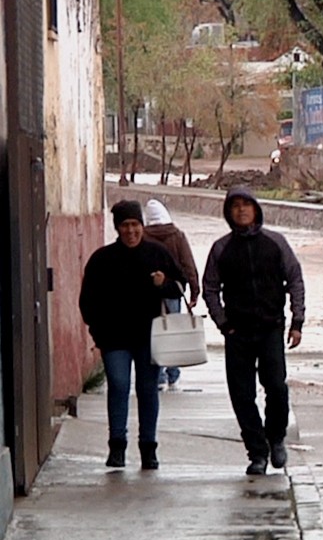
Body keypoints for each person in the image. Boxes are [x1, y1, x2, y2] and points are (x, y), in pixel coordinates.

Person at [202, 187, 305, 475]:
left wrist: (297, 322)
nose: (241, 210)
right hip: (237, 332)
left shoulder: (276, 243)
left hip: (271, 328)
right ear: (228, 212)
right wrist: (223, 323)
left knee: (276, 387)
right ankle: (256, 452)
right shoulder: (221, 248)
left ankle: (276, 439)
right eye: (235, 206)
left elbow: (295, 279)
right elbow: (210, 287)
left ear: (256, 209)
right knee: (241, 394)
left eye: (246, 205)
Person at [79, 200, 186, 470]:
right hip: (114, 338)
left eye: (135, 225)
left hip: (149, 338)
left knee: (148, 389)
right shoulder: (102, 259)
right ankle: (117, 447)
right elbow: (88, 300)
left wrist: (165, 284)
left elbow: (180, 288)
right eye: (125, 225)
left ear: (142, 226)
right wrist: (97, 331)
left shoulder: (158, 253)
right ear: (117, 228)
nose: (131, 231)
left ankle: (148, 448)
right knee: (118, 384)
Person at [142, 198, 200, 392]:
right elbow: (188, 264)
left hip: (149, 294)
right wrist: (194, 290)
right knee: (173, 330)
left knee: (155, 333)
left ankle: (158, 376)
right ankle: (173, 375)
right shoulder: (177, 235)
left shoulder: (143, 237)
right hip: (174, 291)